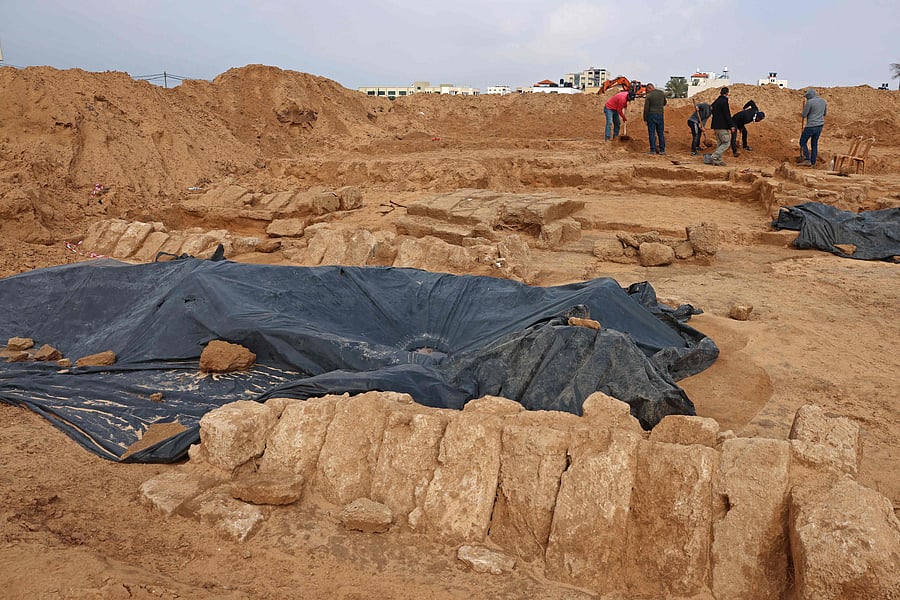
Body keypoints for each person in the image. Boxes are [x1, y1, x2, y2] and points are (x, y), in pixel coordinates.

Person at [705, 87, 734, 166]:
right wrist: (731, 125)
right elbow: (727, 115)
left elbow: (711, 107)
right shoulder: (724, 102)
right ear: (727, 93)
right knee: (726, 143)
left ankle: (717, 160)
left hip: (715, 125)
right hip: (722, 126)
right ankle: (714, 156)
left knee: (720, 143)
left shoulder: (717, 101)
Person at [799, 88, 827, 167]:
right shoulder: (823, 101)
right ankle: (813, 162)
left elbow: (804, 115)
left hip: (811, 125)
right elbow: (825, 113)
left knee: (802, 142)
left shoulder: (810, 102)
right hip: (820, 126)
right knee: (814, 143)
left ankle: (807, 159)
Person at [642, 83, 667, 155]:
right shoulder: (661, 93)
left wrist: (645, 119)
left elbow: (646, 108)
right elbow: (665, 103)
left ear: (649, 88)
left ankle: (652, 150)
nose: (647, 91)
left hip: (651, 115)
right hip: (660, 114)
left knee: (652, 133)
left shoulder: (649, 96)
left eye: (647, 90)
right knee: (660, 133)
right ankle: (662, 150)